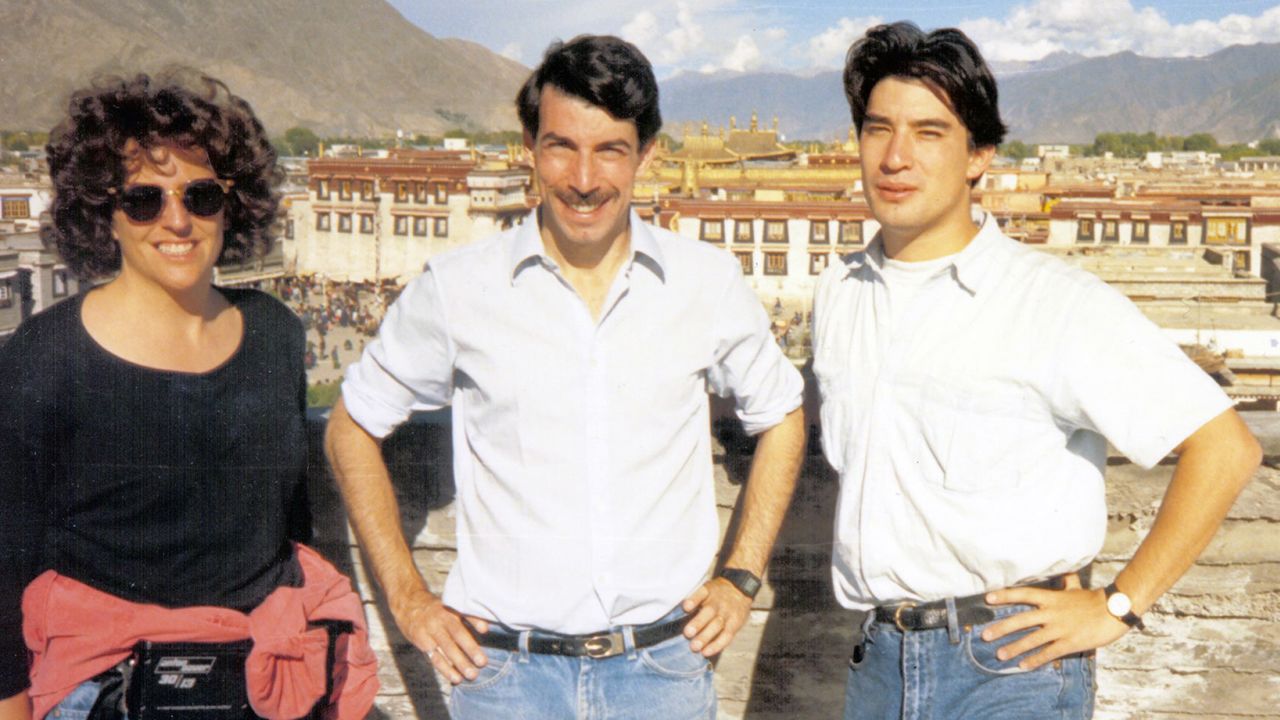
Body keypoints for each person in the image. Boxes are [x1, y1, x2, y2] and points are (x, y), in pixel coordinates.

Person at [325, 34, 806, 719]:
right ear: (530, 146)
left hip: (663, 671)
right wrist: (406, 598)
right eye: (561, 146)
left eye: (610, 149)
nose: (584, 178)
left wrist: (740, 576)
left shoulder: (707, 284)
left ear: (647, 155)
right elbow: (350, 427)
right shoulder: (458, 289)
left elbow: (782, 415)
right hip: (504, 680)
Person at [813, 22, 1261, 719]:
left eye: (930, 133)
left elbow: (1227, 447)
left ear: (979, 156)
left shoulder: (1053, 302)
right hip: (876, 663)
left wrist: (1118, 605)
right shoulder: (840, 294)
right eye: (879, 129)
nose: (896, 157)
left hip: (1010, 668)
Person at [0, 69, 377, 720]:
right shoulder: (44, 358)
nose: (177, 220)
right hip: (106, 693)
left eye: (201, 196)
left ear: (233, 203)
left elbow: (284, 528)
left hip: (267, 688)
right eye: (144, 199)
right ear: (104, 212)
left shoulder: (274, 335)